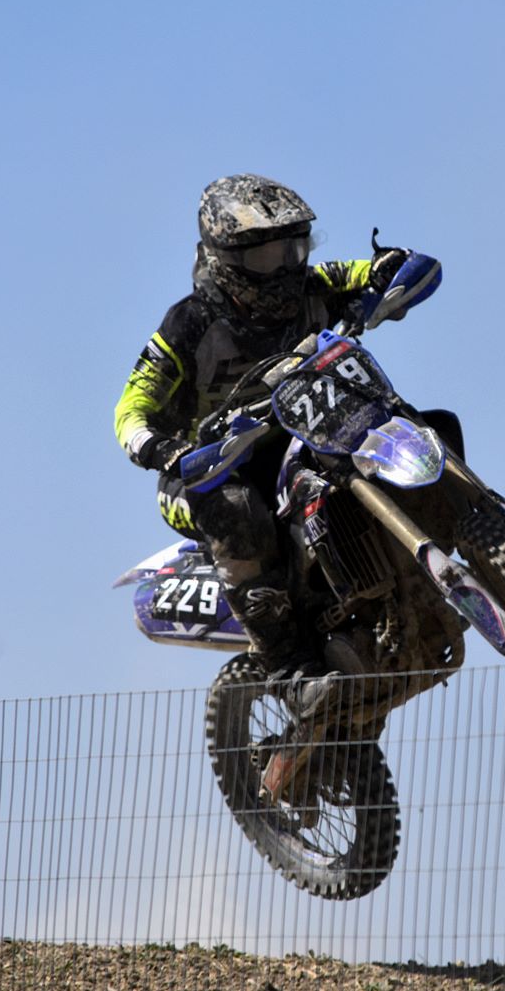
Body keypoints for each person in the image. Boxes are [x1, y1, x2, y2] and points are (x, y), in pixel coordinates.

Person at [114, 174, 437, 717]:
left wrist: (392, 269)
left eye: (293, 248)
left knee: (402, 425)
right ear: (225, 261)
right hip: (205, 470)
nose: (285, 267)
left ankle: (454, 547)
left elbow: (390, 270)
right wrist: (165, 451)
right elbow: (130, 410)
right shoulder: (189, 324)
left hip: (301, 437)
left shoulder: (314, 284)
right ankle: (291, 671)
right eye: (266, 257)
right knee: (238, 512)